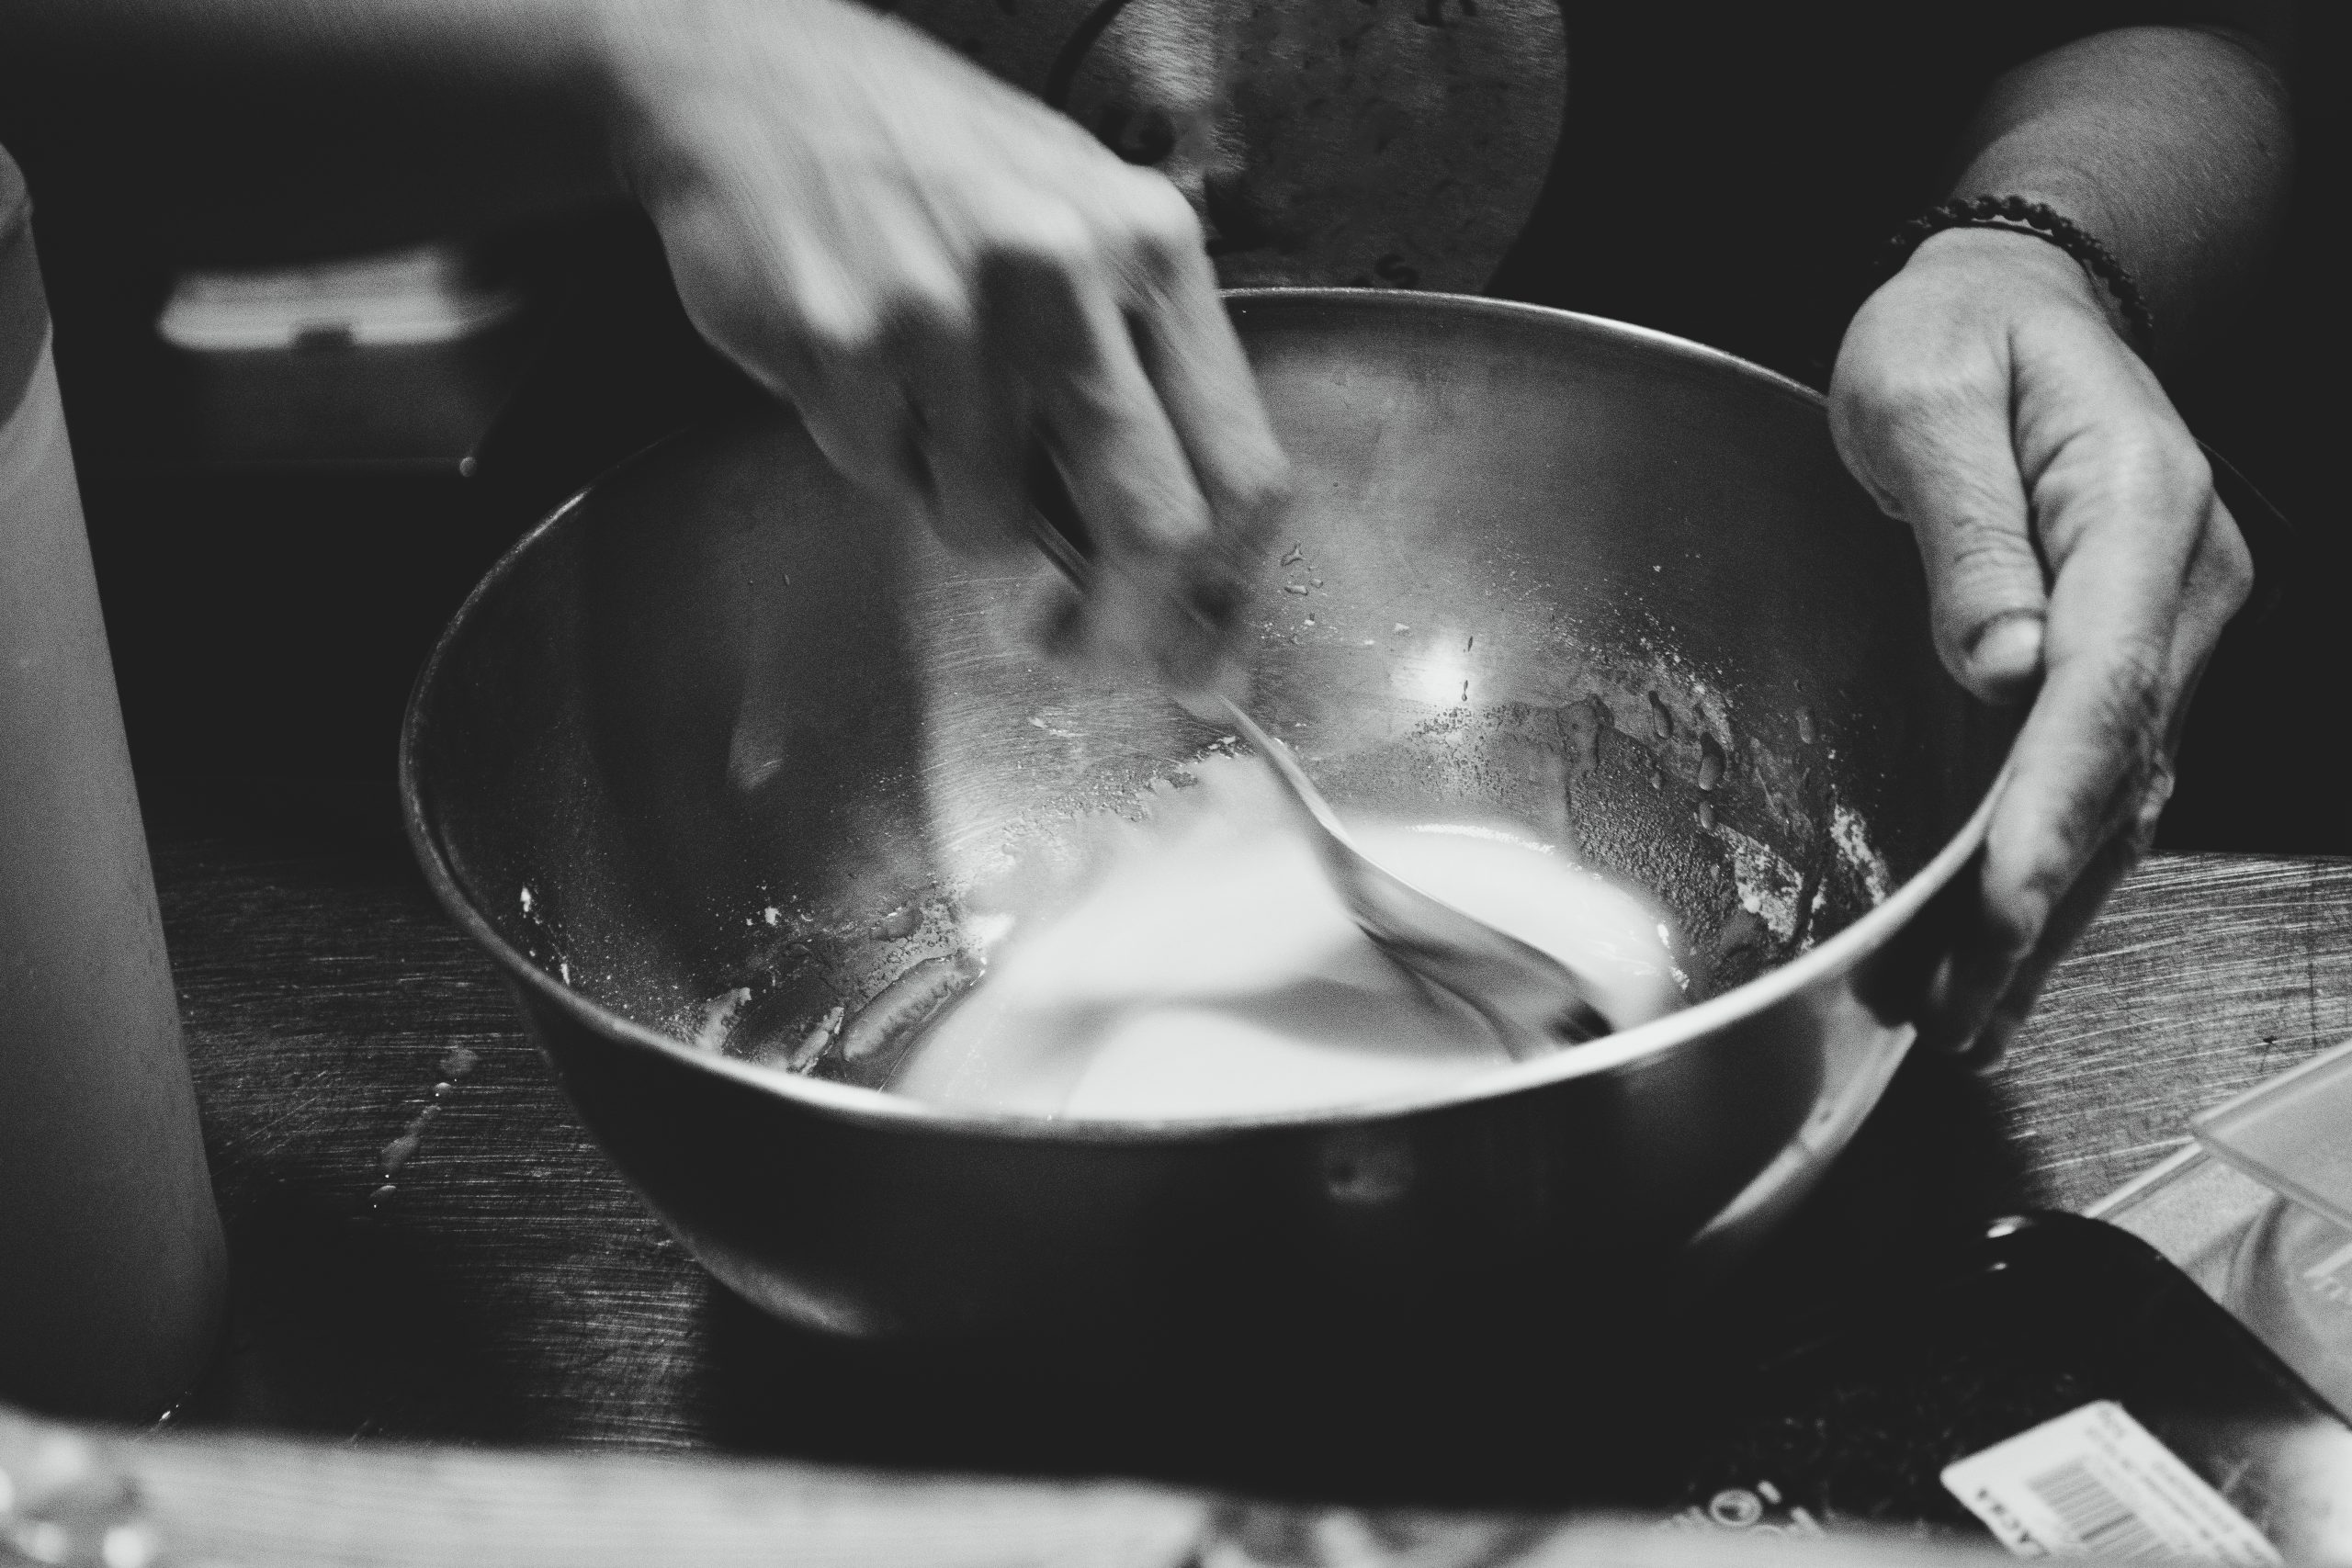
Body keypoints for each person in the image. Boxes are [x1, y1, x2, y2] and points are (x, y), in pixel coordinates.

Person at [0, 0, 2293, 1071]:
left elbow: (2203, 30)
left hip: (1747, 546)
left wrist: (2034, 248)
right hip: (728, 705)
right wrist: (652, 52)